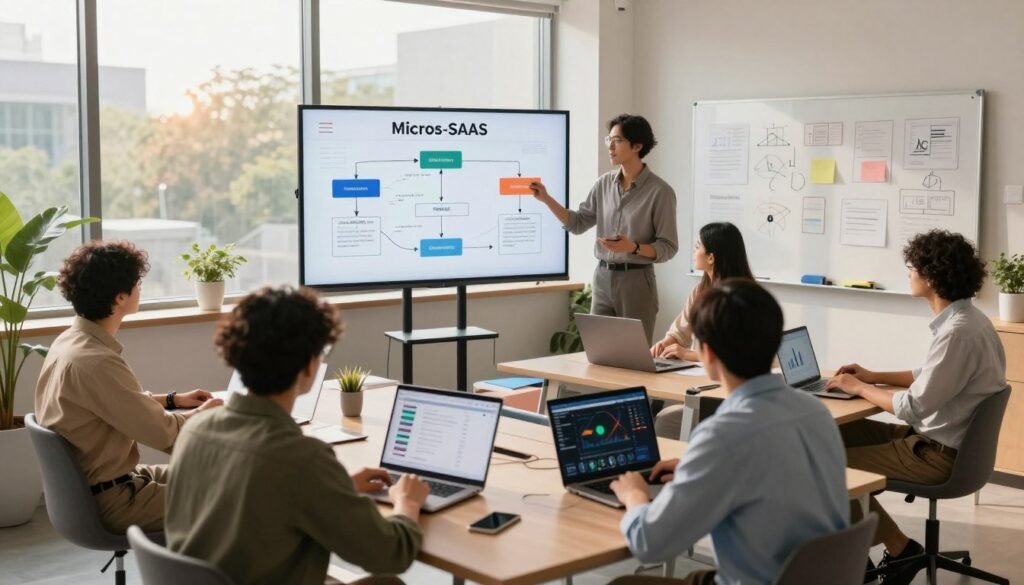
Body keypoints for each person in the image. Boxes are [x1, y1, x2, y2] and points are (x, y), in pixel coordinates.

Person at [165, 286, 427, 585]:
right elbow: (390, 554)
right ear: (309, 365)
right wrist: (407, 502)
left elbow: (261, 496)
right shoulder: (301, 459)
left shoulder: (195, 429)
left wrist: (337, 488)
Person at [608, 279, 848, 585]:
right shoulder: (815, 411)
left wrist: (635, 495)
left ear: (706, 352)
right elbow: (766, 472)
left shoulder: (723, 436)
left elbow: (649, 544)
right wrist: (700, 470)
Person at [826, 230, 1006, 585]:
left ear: (933, 277)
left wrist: (859, 387)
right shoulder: (969, 321)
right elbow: (926, 376)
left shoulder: (958, 333)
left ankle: (899, 550)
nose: (909, 273)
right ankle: (862, 552)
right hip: (944, 444)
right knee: (830, 432)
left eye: (913, 267)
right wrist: (873, 375)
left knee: (823, 465)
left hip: (936, 455)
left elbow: (913, 406)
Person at [34, 240, 222, 533]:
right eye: (137, 283)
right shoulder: (96, 362)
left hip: (104, 485)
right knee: (237, 496)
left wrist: (172, 400)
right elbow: (162, 433)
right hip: (117, 498)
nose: (140, 288)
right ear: (120, 297)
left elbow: (114, 404)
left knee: (224, 476)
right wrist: (205, 414)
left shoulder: (69, 343)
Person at [530, 114, 678, 342]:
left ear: (637, 146)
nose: (610, 146)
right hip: (602, 277)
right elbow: (578, 223)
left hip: (637, 281)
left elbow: (668, 247)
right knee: (599, 350)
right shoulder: (603, 184)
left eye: (617, 140)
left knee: (632, 353)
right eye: (609, 139)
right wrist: (547, 199)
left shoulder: (660, 191)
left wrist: (634, 247)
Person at [650, 222, 754, 438]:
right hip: (707, 383)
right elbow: (681, 331)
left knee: (665, 420)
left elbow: (734, 354)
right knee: (665, 413)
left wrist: (687, 354)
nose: (694, 251)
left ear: (711, 258)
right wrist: (666, 343)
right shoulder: (701, 290)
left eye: (698, 246)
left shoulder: (741, 297)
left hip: (733, 394)